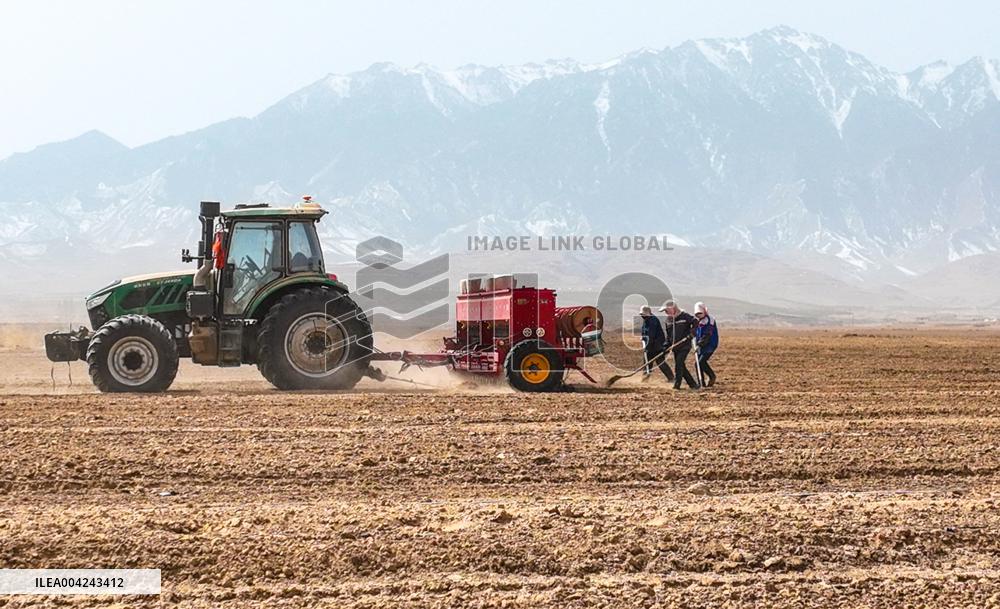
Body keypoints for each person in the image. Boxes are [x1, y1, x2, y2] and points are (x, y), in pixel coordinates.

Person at [660, 300, 699, 390]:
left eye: (666, 311)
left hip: (684, 345)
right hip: (675, 347)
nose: (665, 313)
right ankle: (693, 384)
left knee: (679, 363)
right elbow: (669, 337)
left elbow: (695, 322)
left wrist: (692, 333)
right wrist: (665, 347)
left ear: (673, 309)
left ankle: (677, 385)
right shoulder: (668, 321)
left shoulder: (684, 316)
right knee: (681, 366)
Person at [639, 305, 674, 382]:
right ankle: (645, 379)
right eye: (641, 315)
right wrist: (643, 337)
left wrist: (647, 345)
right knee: (647, 362)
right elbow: (644, 331)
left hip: (657, 346)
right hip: (650, 345)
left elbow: (651, 335)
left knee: (660, 362)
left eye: (643, 314)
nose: (642, 316)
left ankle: (671, 378)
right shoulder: (646, 320)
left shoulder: (653, 320)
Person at [693, 301, 719, 387]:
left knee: (700, 362)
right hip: (701, 345)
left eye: (700, 313)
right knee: (698, 363)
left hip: (710, 344)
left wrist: (699, 344)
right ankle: (701, 383)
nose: (699, 315)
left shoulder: (710, 320)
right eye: (697, 314)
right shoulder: (697, 321)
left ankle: (712, 377)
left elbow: (707, 334)